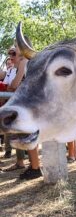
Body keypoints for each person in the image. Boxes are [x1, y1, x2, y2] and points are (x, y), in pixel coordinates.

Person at [3, 37, 42, 180]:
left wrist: (13, 84)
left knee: (28, 134)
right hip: (30, 102)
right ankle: (34, 166)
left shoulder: (25, 61)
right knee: (28, 135)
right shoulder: (29, 61)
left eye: (16, 45)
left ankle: (35, 168)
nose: (14, 48)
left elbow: (14, 84)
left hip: (28, 103)